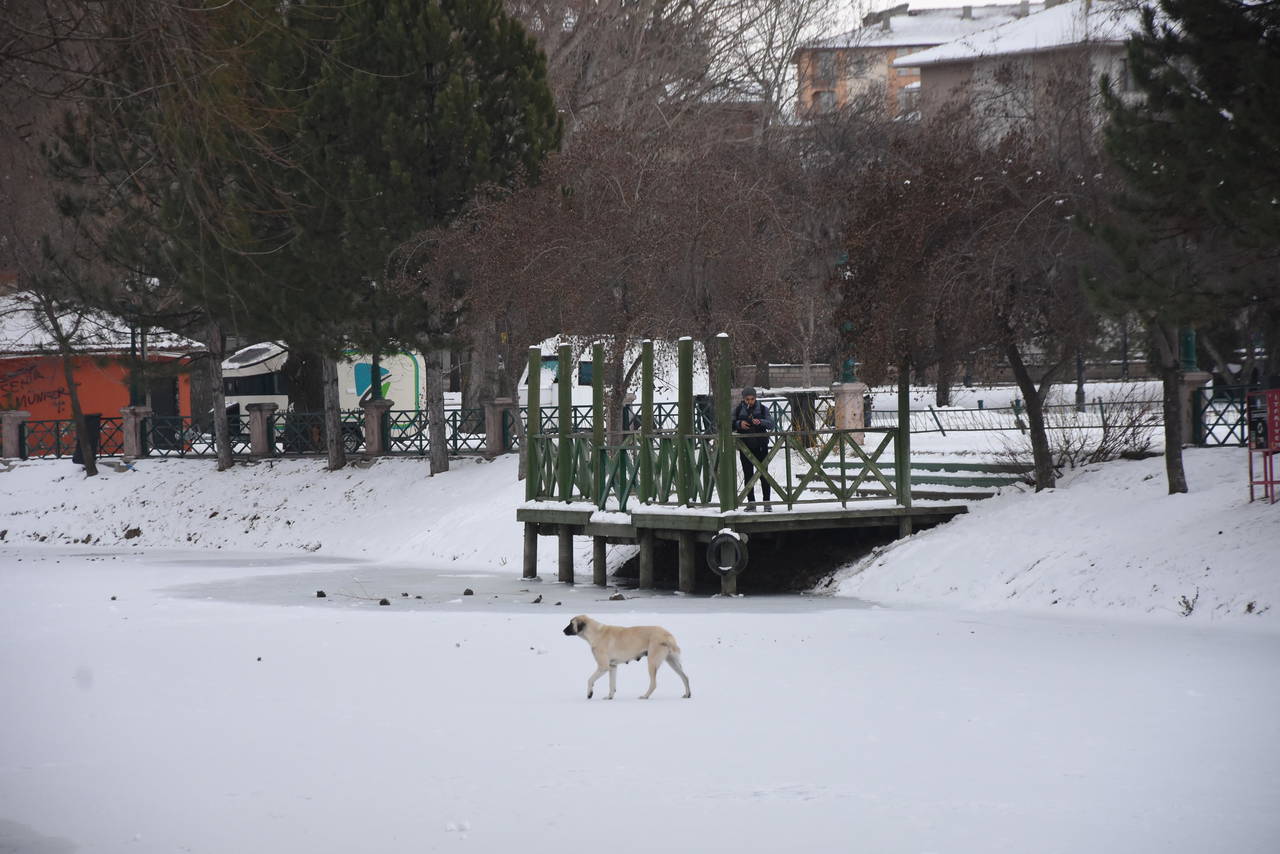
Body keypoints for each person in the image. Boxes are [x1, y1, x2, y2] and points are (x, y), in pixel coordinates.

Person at [732, 387, 775, 509]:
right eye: (747, 399)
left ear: (755, 398)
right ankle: (751, 503)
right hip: (745, 446)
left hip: (761, 446)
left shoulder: (762, 409)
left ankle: (767, 503)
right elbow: (729, 423)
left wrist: (760, 422)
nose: (750, 401)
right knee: (748, 475)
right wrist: (739, 424)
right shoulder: (738, 409)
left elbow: (771, 424)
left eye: (752, 399)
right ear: (743, 399)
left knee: (764, 475)